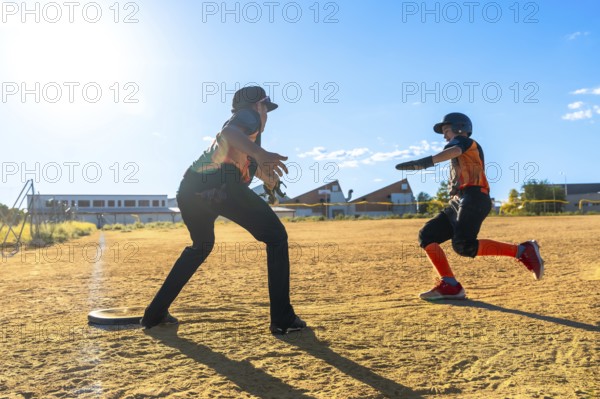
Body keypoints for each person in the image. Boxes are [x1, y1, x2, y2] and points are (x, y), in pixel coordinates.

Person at [141, 86, 306, 334]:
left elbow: (247, 160)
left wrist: (269, 178)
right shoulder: (249, 119)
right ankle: (282, 318)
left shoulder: (245, 139)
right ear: (258, 106)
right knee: (276, 237)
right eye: (266, 108)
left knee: (201, 246)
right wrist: (261, 153)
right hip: (220, 187)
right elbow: (228, 132)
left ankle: (154, 314)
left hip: (189, 189)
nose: (266, 115)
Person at [395, 112, 544, 300]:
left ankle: (523, 251)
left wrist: (424, 163)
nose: (444, 135)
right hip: (458, 201)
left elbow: (455, 150)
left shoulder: (464, 142)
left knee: (463, 245)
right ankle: (450, 285)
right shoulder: (457, 146)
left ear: (460, 129)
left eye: (446, 130)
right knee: (427, 236)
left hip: (474, 196)